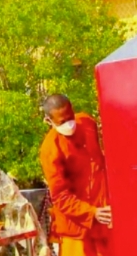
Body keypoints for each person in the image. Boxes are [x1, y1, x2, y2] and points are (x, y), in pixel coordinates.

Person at [39, 94, 112, 256]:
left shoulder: (87, 123)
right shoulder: (50, 149)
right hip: (76, 228)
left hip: (104, 220)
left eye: (70, 117)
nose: (69, 124)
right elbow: (60, 197)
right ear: (48, 121)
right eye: (62, 122)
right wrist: (92, 212)